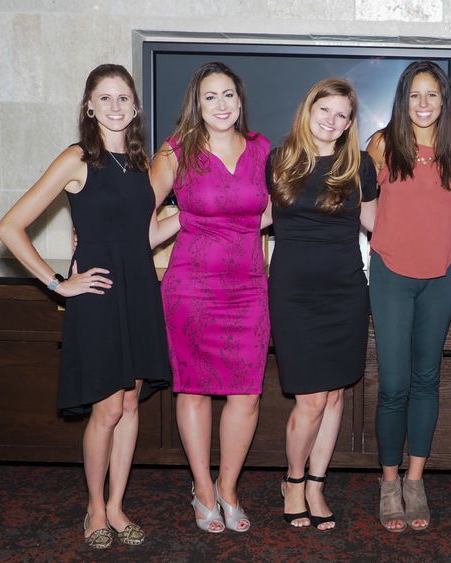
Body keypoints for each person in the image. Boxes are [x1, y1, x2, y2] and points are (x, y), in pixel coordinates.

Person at [0, 64, 175, 549]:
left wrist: (186, 216)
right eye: (105, 98)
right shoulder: (77, 159)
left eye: (124, 98)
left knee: (132, 400)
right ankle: (94, 507)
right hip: (96, 294)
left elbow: (145, 235)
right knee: (108, 407)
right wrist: (58, 283)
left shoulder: (140, 165)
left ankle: (117, 506)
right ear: (89, 106)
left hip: (139, 289)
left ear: (136, 108)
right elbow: (10, 227)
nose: (116, 106)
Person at [151, 62, 271, 534]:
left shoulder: (262, 150)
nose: (220, 105)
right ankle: (202, 489)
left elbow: (270, 212)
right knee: (194, 389)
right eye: (210, 97)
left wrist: (230, 224)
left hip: (247, 288)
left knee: (248, 396)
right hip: (192, 288)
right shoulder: (176, 151)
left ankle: (228, 488)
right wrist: (186, 219)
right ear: (196, 105)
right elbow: (141, 220)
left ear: (240, 102)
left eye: (228, 96)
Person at [268, 78, 377, 531]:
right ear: (307, 109)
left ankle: (316, 483)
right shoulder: (279, 160)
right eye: (324, 110)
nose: (332, 121)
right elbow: (253, 217)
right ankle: (293, 481)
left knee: (334, 395)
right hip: (294, 293)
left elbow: (378, 225)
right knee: (311, 400)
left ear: (350, 123)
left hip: (347, 291)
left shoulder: (360, 165)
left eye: (342, 115)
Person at [366, 61, 451, 533]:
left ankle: (416, 481)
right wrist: (391, 237)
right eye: (414, 96)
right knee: (394, 384)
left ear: (443, 101)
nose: (423, 104)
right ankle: (389, 482)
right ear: (403, 100)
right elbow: (364, 209)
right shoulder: (382, 145)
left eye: (432, 95)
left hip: (440, 279)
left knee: (428, 379)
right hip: (390, 276)